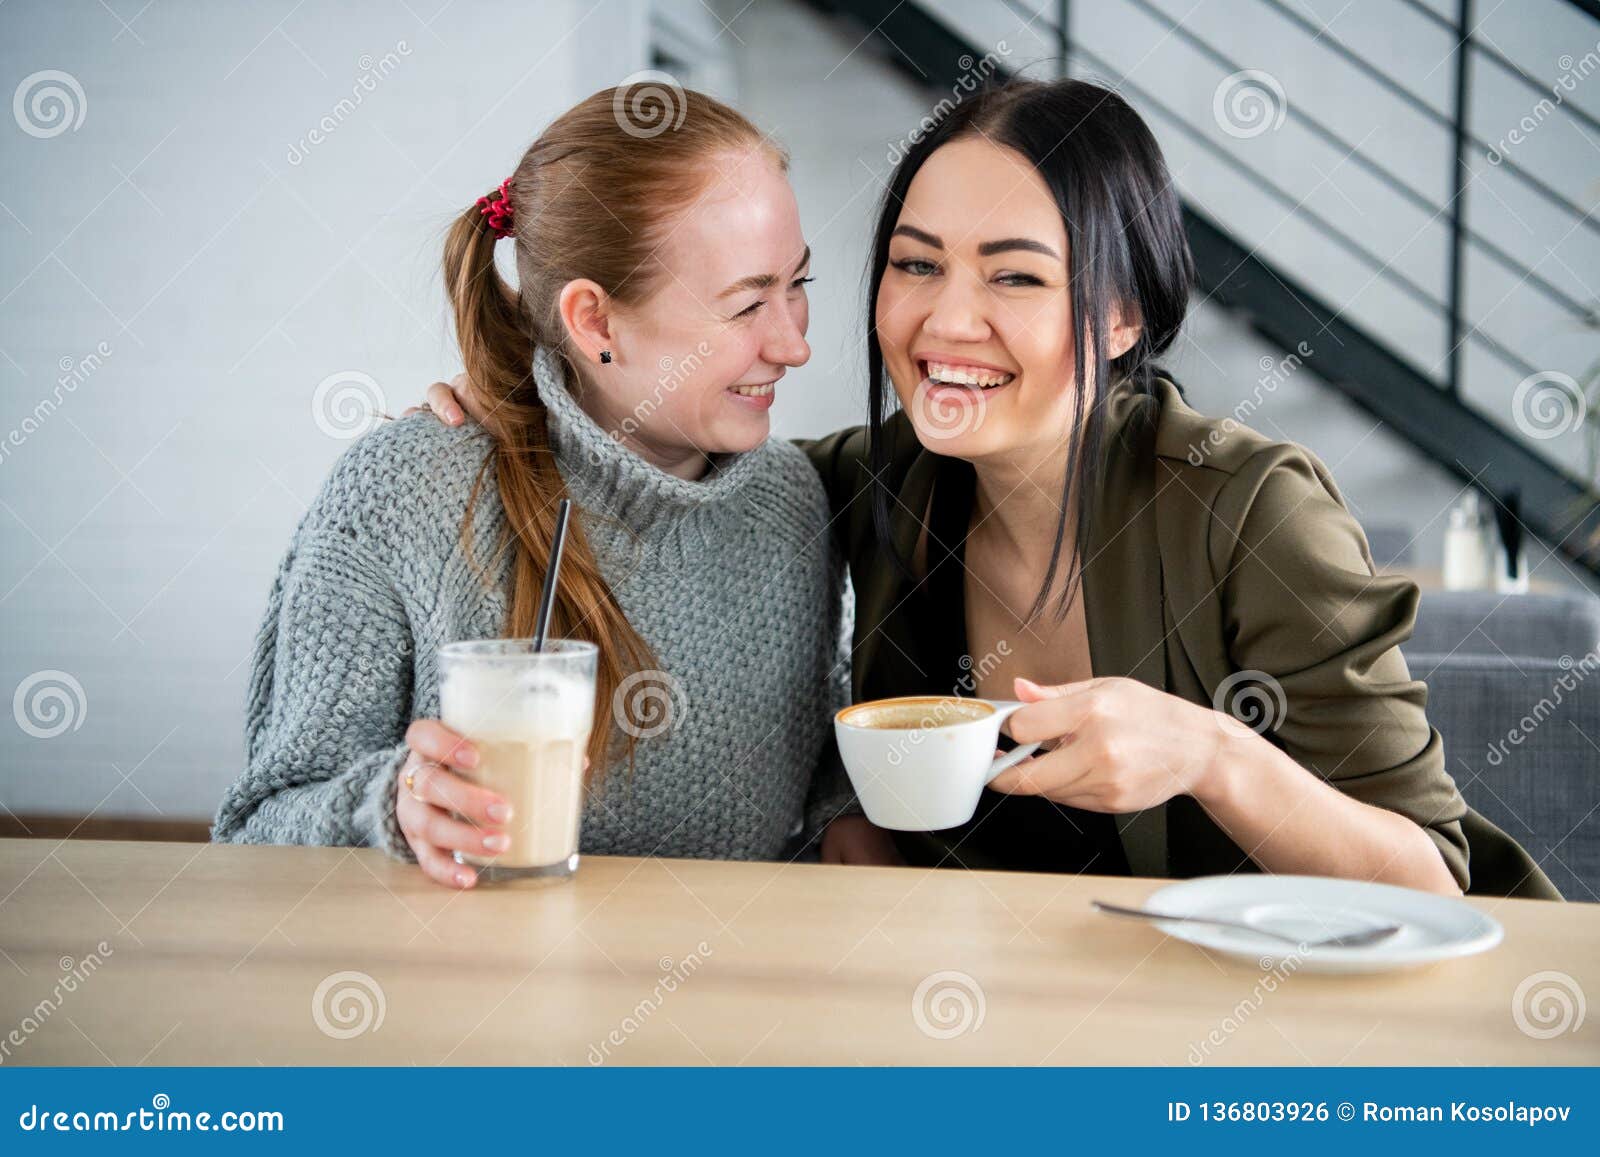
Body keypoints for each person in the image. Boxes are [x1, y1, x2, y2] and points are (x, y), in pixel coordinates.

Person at [422, 78, 1556, 899]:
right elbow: (657, 467)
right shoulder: (862, 489)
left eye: (1014, 275)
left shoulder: (1249, 510)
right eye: (915, 264)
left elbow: (1427, 878)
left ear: (1119, 317)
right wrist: (516, 420)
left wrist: (1213, 753)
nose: (943, 321)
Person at [214, 84, 888, 888]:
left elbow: (801, 754)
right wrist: (389, 807)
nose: (793, 344)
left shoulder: (788, 501)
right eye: (746, 304)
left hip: (725, 1000)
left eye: (798, 286)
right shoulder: (403, 494)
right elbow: (257, 833)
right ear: (596, 322)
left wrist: (842, 806)